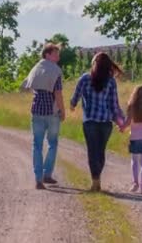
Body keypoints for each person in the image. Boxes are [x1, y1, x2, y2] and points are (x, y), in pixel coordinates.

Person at [70, 52, 124, 192]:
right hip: (106, 123)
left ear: (95, 64)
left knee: (92, 151)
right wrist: (121, 120)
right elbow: (114, 104)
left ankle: (95, 180)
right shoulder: (111, 81)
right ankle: (97, 179)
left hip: (90, 122)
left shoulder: (85, 78)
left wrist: (73, 104)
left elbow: (76, 94)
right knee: (100, 152)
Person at [22, 43, 65, 190]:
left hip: (37, 110)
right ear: (47, 54)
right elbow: (58, 94)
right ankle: (47, 174)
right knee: (52, 143)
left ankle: (38, 179)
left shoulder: (35, 68)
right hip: (52, 113)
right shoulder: (56, 71)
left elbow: (25, 86)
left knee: (37, 145)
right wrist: (63, 110)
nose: (58, 57)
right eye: (55, 54)